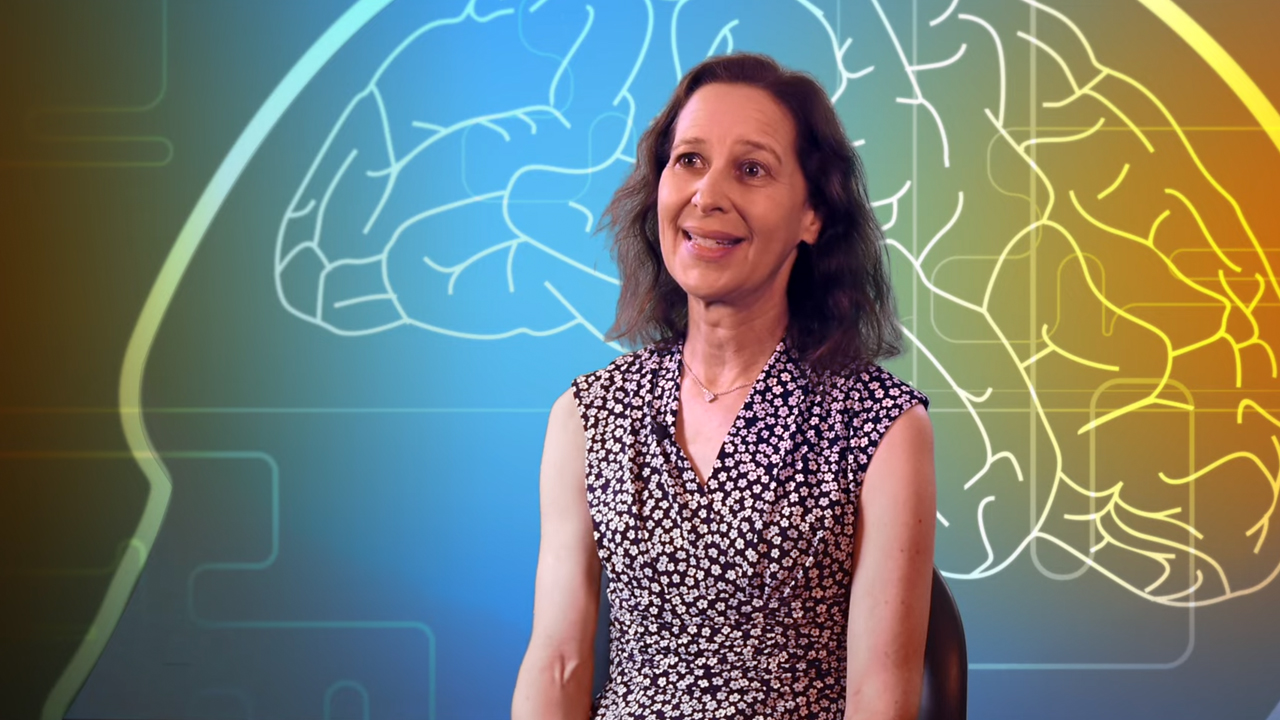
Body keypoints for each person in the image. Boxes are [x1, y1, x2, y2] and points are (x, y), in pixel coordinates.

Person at [512, 53, 936, 720]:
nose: (708, 195)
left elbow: (880, 695)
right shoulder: (584, 416)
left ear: (813, 215)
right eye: (688, 161)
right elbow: (558, 661)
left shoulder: (884, 427)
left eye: (752, 169)